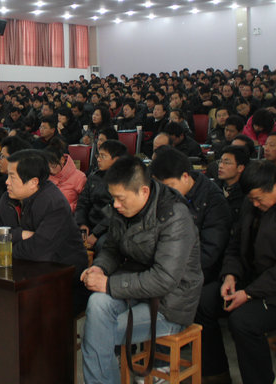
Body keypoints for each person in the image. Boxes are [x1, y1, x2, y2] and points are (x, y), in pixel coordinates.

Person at [196, 161, 276, 384]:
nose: (256, 204)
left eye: (259, 199)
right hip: (254, 280)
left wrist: (249, 294)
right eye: (252, 200)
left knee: (243, 322)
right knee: (203, 302)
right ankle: (216, 374)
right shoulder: (252, 203)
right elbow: (235, 245)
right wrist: (230, 275)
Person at [80, 156, 203, 384]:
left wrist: (108, 284)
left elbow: (164, 279)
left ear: (144, 191)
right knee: (97, 304)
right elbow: (112, 248)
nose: (116, 205)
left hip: (170, 304)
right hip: (135, 289)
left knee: (97, 332)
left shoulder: (174, 216)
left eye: (120, 198)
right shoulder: (123, 210)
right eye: (113, 198)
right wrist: (99, 267)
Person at [0, 149, 89, 314]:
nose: (7, 182)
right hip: (23, 272)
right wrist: (19, 234)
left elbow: (38, 252)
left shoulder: (54, 203)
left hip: (63, 280)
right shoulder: (8, 199)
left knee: (20, 312)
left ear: (33, 182)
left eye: (12, 177)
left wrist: (5, 246)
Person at [151, 146, 232, 284]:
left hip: (193, 272)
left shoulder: (213, 200)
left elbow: (209, 251)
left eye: (170, 186)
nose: (165, 193)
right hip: (163, 263)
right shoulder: (163, 194)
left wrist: (170, 268)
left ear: (185, 177)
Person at [74, 139, 127, 252]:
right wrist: (82, 224)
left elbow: (114, 213)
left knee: (102, 245)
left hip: (110, 228)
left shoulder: (123, 182)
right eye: (98, 155)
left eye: (103, 156)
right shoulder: (94, 177)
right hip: (90, 224)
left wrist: (96, 234)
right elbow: (83, 203)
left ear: (116, 160)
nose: (98, 159)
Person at [45, 139, 87, 212]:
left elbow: (84, 203)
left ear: (62, 160)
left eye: (53, 166)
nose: (50, 170)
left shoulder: (79, 177)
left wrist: (66, 208)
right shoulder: (45, 176)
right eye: (47, 166)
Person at [215, 145, 250, 224]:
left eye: (227, 163)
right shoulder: (214, 188)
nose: (220, 166)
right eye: (220, 161)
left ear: (240, 168)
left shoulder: (246, 193)